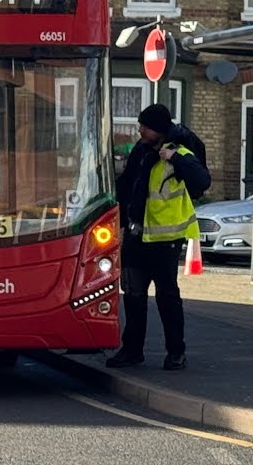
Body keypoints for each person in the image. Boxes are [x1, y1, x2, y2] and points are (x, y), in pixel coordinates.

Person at [107, 103, 209, 371]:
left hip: (165, 240)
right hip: (137, 236)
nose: (140, 130)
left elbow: (202, 181)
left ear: (159, 130)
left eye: (145, 126)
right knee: (133, 295)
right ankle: (132, 350)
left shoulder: (179, 153)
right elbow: (126, 185)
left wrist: (174, 158)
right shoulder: (141, 152)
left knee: (167, 298)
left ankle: (176, 353)